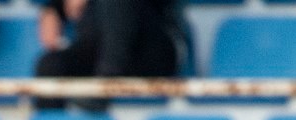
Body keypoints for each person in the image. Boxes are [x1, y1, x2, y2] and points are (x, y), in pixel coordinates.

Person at [34, 0, 187, 112]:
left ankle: (105, 85)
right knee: (51, 66)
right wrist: (54, 9)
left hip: (150, 48)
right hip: (99, 47)